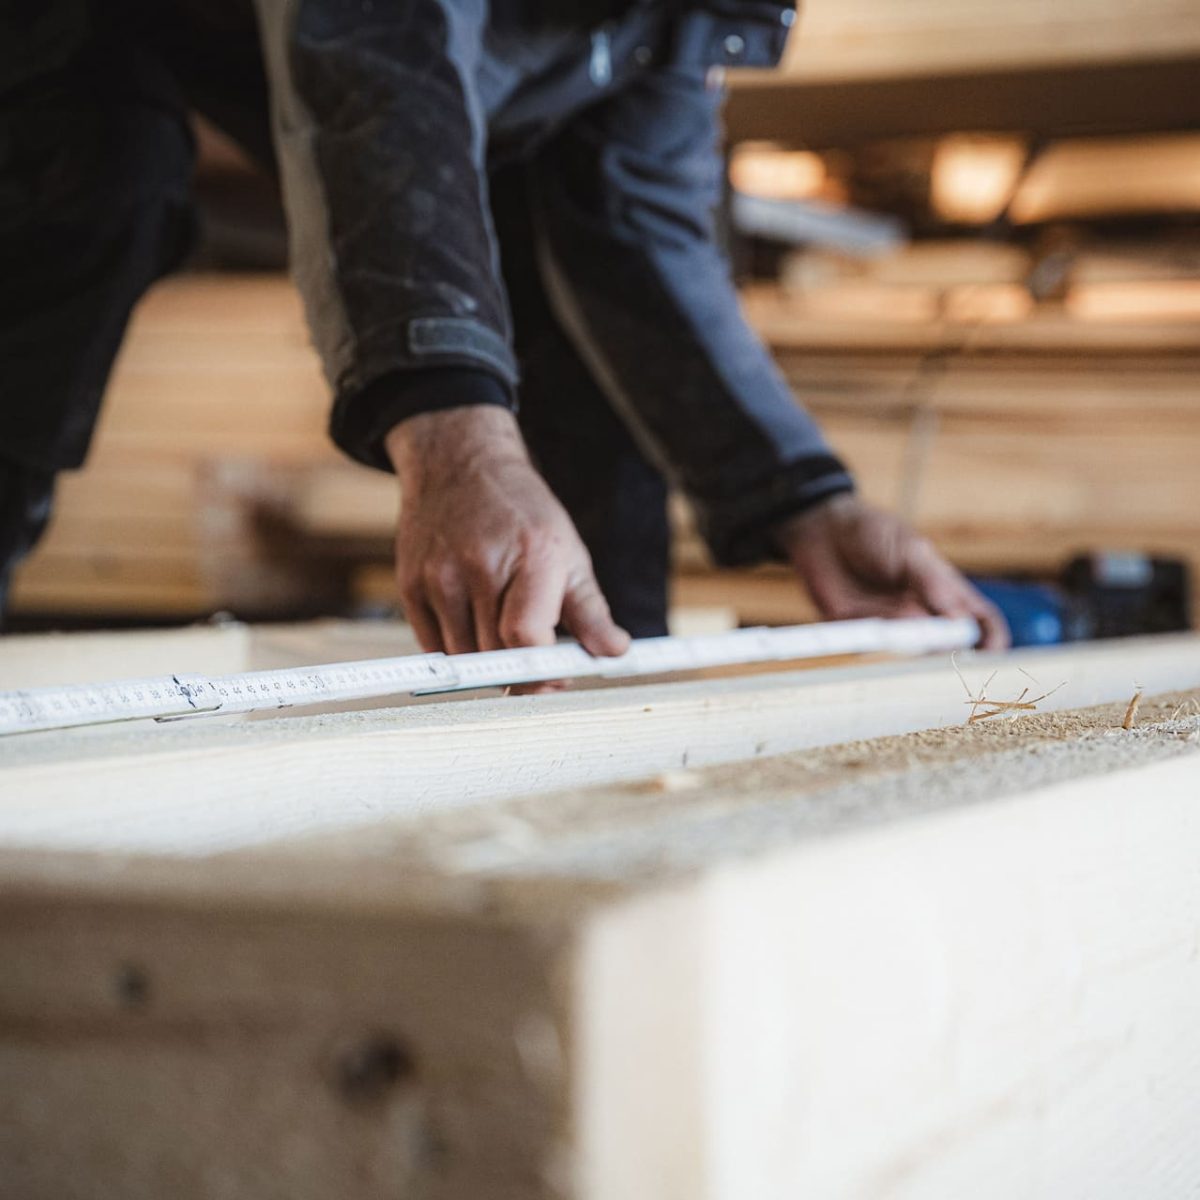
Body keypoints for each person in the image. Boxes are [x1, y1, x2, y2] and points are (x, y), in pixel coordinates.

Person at [0, 0, 1007, 652]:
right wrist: (453, 443)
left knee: (564, 337)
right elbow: (376, 65)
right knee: (89, 183)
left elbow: (638, 216)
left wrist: (806, 500)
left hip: (417, 64)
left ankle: (582, 744)